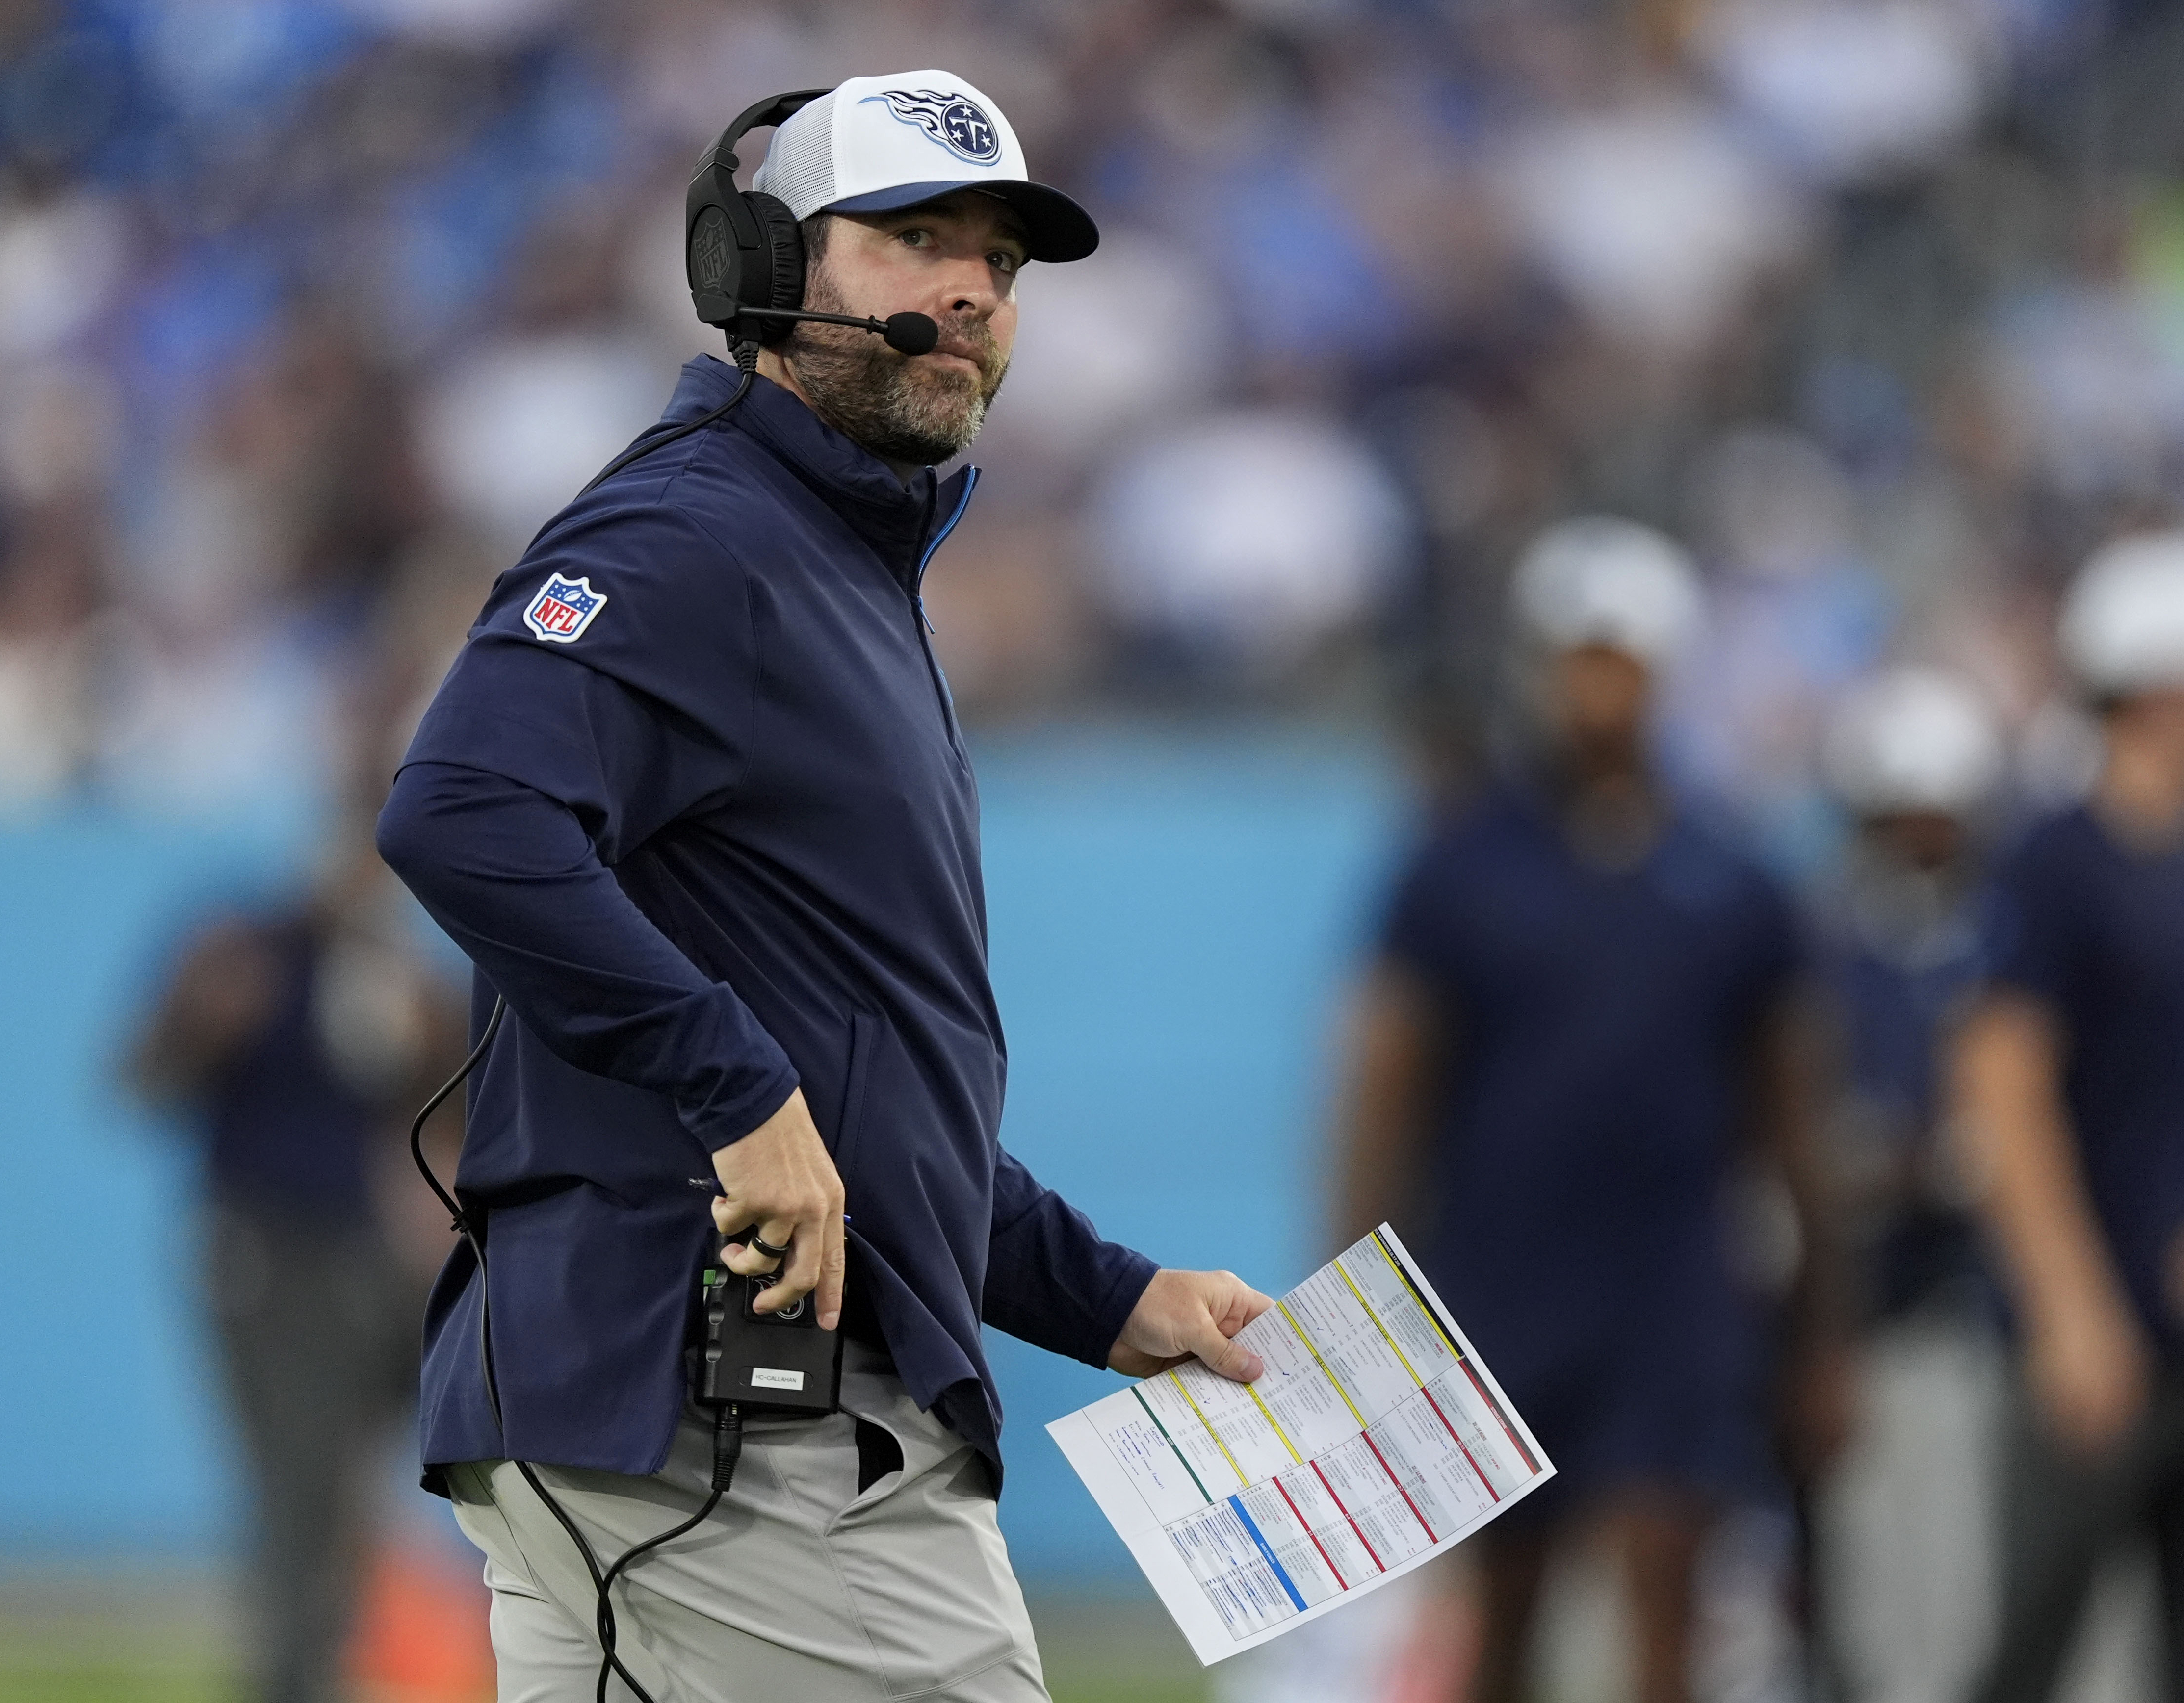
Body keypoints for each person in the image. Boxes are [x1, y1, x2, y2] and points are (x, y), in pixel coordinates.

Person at [375, 72, 1272, 1703]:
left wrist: (1109, 1295)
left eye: (995, 263)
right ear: (762, 269)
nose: (963, 292)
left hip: (680, 1410)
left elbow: (859, 1102)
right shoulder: (694, 532)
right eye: (910, 239)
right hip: (723, 1413)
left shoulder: (824, 566)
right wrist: (736, 1086)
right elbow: (460, 807)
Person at [1335, 517, 1850, 1703]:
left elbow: (1795, 1118)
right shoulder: (1462, 863)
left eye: (1621, 657)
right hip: (1500, 1280)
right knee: (1503, 1609)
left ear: (1663, 669)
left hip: (1674, 1288)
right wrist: (1355, 1304)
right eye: (1579, 656)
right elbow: (1383, 1092)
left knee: (1668, 1592)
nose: (1598, 684)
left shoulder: (1735, 873)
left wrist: (1823, 1331)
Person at [128, 833, 464, 1703]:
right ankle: (296, 1677)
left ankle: (357, 1654)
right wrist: (198, 1017)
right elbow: (144, 1075)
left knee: (395, 1464)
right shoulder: (245, 951)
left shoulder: (395, 968)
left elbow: (446, 1104)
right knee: (300, 1490)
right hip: (267, 1261)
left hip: (370, 1265)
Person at [1956, 533, 2184, 1703]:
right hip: (2103, 1334)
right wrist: (2072, 1303)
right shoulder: (2061, 858)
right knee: (2034, 1642)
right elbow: (2002, 1084)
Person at [1808, 668, 2005, 1701]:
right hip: (1869, 1297)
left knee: (1981, 1561)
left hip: (1984, 1302)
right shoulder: (1830, 944)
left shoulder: (2004, 935)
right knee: (1874, 1566)